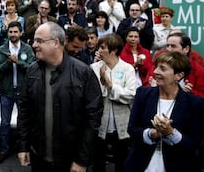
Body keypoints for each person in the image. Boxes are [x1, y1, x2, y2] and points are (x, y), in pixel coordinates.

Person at [17, 22, 103, 171]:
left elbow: (92, 119)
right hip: (39, 158)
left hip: (70, 162)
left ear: (56, 42)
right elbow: (24, 110)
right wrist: (23, 146)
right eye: (34, 40)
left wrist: (82, 160)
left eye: (39, 41)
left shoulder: (83, 73)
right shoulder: (32, 71)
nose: (34, 45)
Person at [125, 51, 204, 172]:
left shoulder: (194, 103)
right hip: (140, 164)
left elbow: (193, 143)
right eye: (156, 67)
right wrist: (153, 133)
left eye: (162, 69)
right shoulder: (143, 94)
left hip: (178, 166)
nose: (156, 71)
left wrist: (171, 133)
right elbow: (132, 129)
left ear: (179, 75)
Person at [90, 34, 136, 172]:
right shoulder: (94, 67)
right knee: (98, 163)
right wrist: (104, 85)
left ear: (114, 50)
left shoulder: (128, 68)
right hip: (100, 124)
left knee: (122, 163)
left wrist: (110, 85)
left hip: (122, 124)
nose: (99, 50)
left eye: (103, 48)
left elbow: (130, 95)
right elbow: (92, 97)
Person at [0, 21, 35, 164]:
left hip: (24, 92)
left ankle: (22, 150)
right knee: (4, 123)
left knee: (23, 123)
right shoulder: (1, 49)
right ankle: (4, 150)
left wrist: (18, 62)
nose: (13, 34)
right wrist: (9, 62)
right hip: (6, 92)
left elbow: (31, 68)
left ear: (21, 33)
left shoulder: (28, 49)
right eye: (10, 32)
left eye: (15, 32)